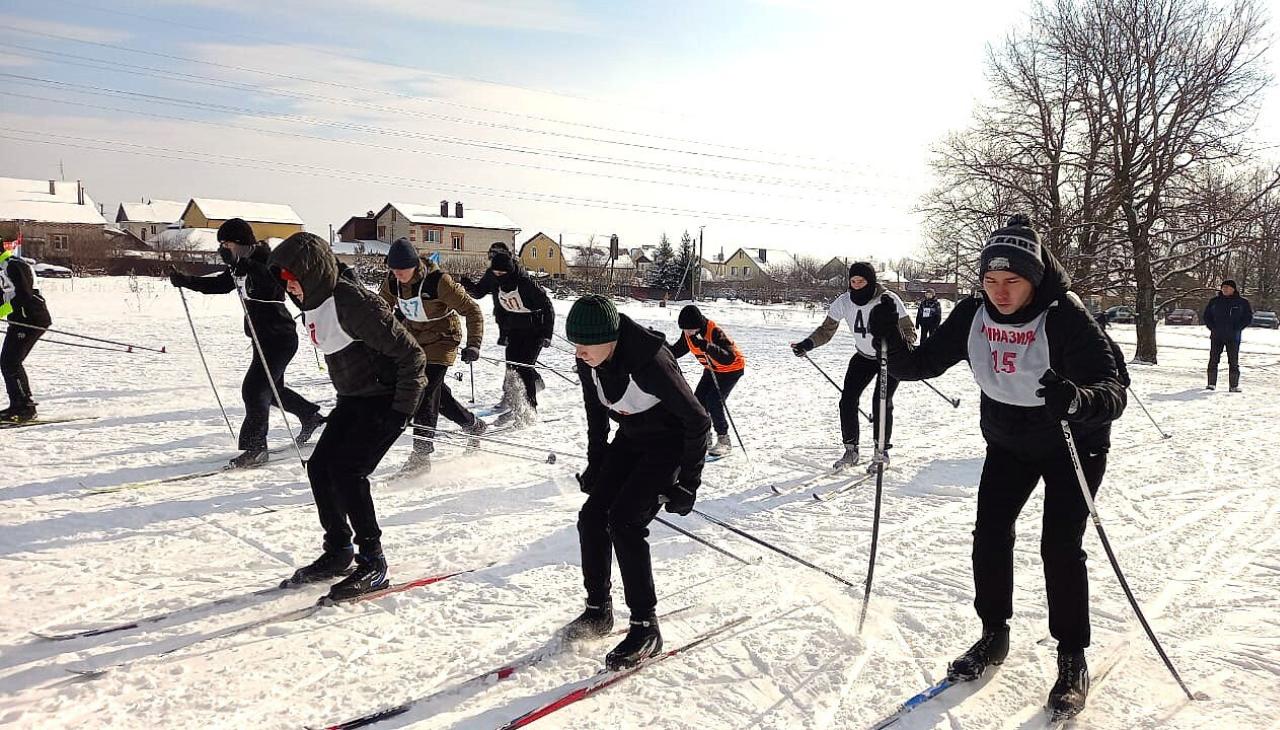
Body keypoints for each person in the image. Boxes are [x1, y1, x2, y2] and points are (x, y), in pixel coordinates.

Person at [866, 214, 1126, 720]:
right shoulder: (972, 314)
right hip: (1008, 442)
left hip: (1074, 442)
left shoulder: (1065, 316)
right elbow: (918, 366)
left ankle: (1072, 656)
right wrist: (890, 342)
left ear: (1035, 278)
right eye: (990, 281)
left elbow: (1113, 390)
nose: (1000, 292)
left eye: (1013, 281)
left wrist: (1077, 399)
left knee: (1059, 545)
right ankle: (993, 633)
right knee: (989, 533)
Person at [269, 232, 427, 600]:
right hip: (353, 399)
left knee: (348, 472)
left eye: (293, 280)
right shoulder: (317, 303)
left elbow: (412, 357)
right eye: (286, 282)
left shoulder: (353, 303)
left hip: (386, 400)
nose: (290, 288)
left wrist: (401, 411)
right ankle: (339, 550)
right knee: (320, 467)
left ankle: (373, 562)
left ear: (311, 274)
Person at [561, 295, 711, 670]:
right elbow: (596, 415)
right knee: (592, 517)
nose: (578, 353)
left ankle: (646, 627)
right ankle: (598, 610)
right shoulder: (591, 362)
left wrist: (688, 483)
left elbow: (697, 421)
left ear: (610, 337)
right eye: (574, 345)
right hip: (630, 440)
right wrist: (597, 465)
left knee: (624, 522)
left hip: (668, 446)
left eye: (585, 345)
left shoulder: (652, 363)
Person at [169, 218, 325, 467]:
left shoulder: (266, 260)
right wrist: (185, 281)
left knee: (254, 390)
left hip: (279, 338)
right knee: (273, 392)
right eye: (221, 244)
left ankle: (256, 449)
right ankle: (311, 416)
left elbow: (268, 279)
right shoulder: (238, 266)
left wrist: (243, 264)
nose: (223, 249)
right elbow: (219, 286)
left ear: (241, 243)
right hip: (261, 339)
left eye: (227, 243)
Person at [790, 262, 916, 471]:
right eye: (853, 281)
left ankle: (881, 452)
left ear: (871, 281)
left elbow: (909, 330)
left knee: (881, 402)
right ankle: (851, 450)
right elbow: (826, 330)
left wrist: (903, 344)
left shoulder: (888, 299)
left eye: (861, 281)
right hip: (864, 356)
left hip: (889, 358)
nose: (857, 286)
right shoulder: (844, 301)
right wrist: (807, 344)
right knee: (847, 400)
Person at [378, 239, 486, 474]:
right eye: (393, 271)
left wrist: (474, 344)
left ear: (415, 265)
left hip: (443, 339)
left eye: (402, 270)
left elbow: (472, 310)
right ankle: (473, 425)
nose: (398, 275)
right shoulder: (392, 282)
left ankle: (421, 457)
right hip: (414, 341)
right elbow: (380, 311)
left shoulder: (439, 281)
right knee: (437, 394)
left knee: (424, 391)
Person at [460, 250, 554, 427]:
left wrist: (547, 334)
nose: (498, 277)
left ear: (510, 271)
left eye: (502, 274)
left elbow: (547, 306)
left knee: (524, 367)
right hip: (514, 328)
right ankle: (518, 404)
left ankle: (530, 410)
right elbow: (479, 292)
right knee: (511, 368)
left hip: (535, 329)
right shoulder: (493, 277)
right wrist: (466, 285)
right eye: (495, 273)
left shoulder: (526, 283)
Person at [669, 304, 745, 457]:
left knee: (713, 401)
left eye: (689, 330)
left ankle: (724, 440)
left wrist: (707, 346)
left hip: (731, 370)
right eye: (684, 330)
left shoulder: (714, 332)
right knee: (698, 403)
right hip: (712, 369)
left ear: (697, 325)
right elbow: (677, 350)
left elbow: (728, 358)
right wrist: (661, 348)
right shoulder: (688, 333)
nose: (687, 333)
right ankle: (705, 437)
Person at [0, 232, 51, 423]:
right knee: (8, 362)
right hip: (20, 319)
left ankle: (25, 408)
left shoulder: (14, 264)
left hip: (32, 318)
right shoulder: (1, 268)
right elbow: (4, 297)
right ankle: (19, 405)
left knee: (10, 362)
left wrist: (3, 311)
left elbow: (24, 295)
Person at [1203, 279, 1253, 392]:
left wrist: (1237, 328)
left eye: (1227, 287)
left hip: (1233, 337)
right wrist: (1213, 327)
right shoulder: (1214, 301)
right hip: (1217, 336)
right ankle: (1211, 384)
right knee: (1213, 360)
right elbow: (1207, 316)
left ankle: (1233, 385)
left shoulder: (1242, 302)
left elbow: (1248, 318)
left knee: (1233, 361)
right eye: (1223, 287)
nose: (1225, 289)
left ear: (1233, 289)